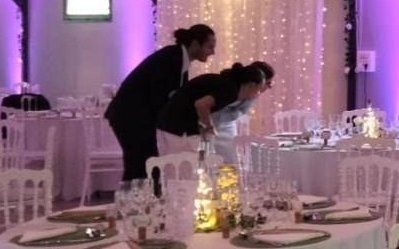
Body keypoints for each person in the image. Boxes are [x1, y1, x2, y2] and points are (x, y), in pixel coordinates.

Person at [105, 24, 216, 181]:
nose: (212, 52)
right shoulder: (171, 58)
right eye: (209, 47)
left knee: (145, 165)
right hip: (130, 116)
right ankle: (134, 195)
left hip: (135, 116)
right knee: (142, 165)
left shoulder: (178, 58)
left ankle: (140, 195)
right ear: (195, 44)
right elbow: (161, 96)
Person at [155, 63, 266, 155]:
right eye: (259, 89)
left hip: (168, 122)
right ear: (251, 85)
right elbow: (201, 104)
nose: (258, 94)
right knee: (185, 166)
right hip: (178, 126)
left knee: (176, 166)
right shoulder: (231, 90)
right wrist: (209, 128)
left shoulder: (227, 83)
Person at [210, 60, 274, 159]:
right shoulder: (229, 87)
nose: (270, 87)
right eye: (268, 83)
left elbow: (241, 111)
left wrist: (231, 114)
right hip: (208, 122)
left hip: (228, 124)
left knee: (230, 157)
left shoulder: (254, 92)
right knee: (208, 156)